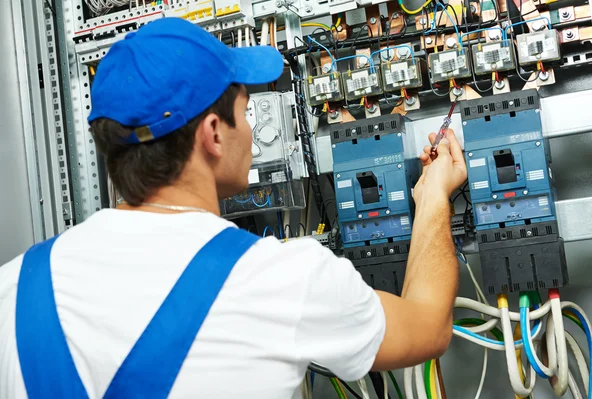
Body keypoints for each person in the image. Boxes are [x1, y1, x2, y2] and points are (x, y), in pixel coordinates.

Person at [0, 17, 467, 399]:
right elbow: (429, 326)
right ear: (213, 134)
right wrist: (432, 196)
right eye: (246, 112)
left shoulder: (14, 288)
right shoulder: (282, 279)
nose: (249, 130)